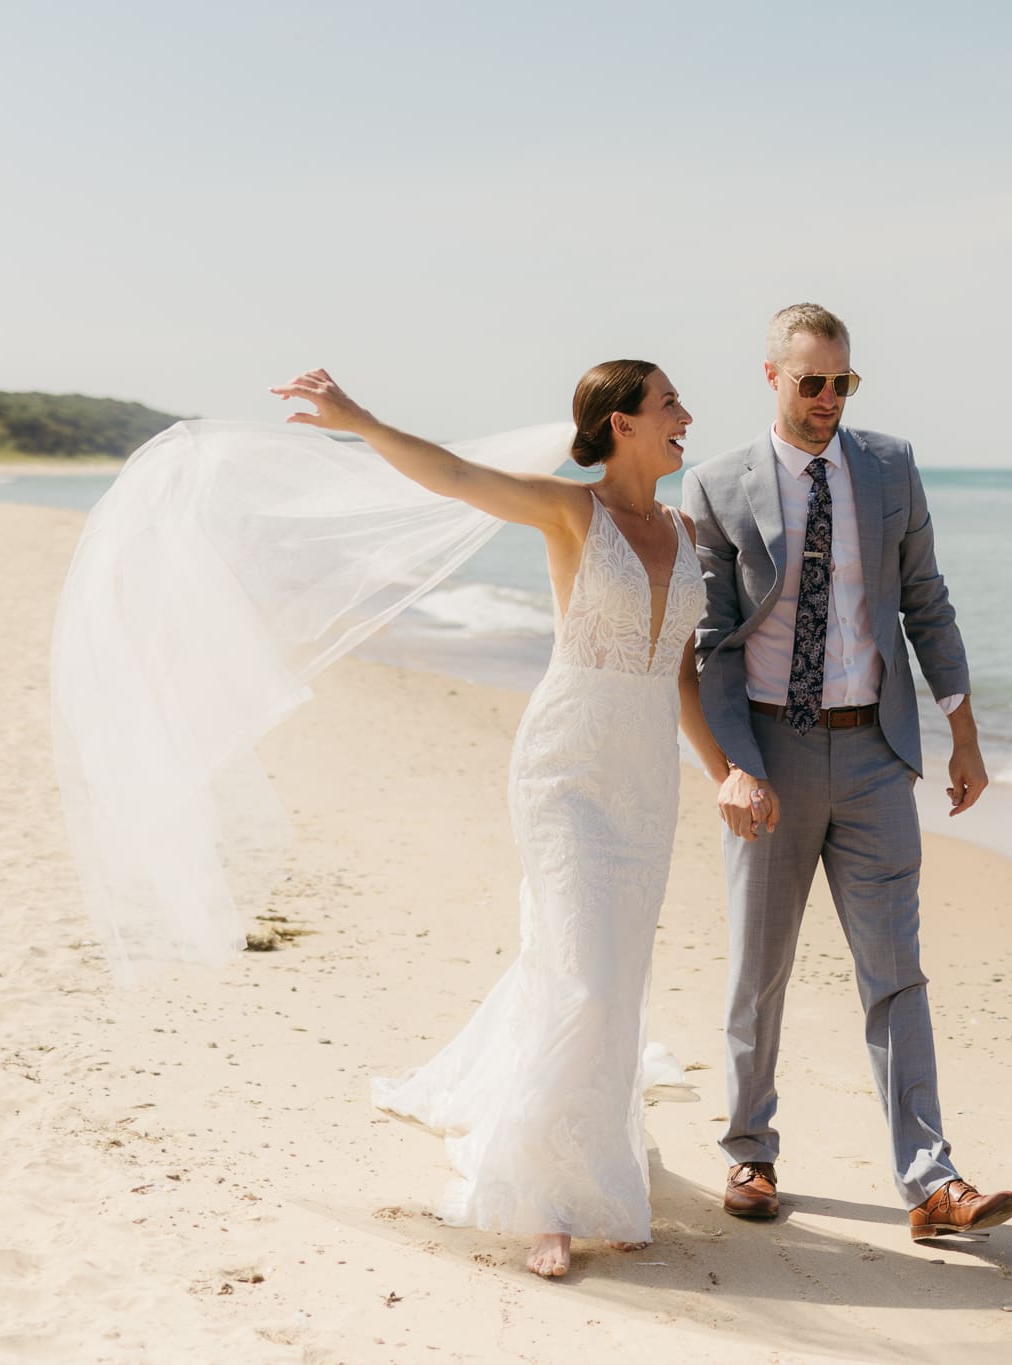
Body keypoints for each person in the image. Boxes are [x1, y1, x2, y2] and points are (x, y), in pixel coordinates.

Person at [268, 362, 727, 1279]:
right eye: (669, 402)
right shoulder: (570, 512)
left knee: (604, 976)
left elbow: (681, 672)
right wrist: (358, 417)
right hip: (565, 768)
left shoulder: (684, 533)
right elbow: (451, 474)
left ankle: (594, 1166)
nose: (686, 415)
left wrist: (727, 771)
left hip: (645, 780)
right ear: (622, 423)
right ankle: (541, 1196)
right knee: (587, 979)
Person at [681, 304, 1012, 1240]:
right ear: (771, 377)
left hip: (877, 750)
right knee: (760, 966)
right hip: (769, 751)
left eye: (844, 382)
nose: (829, 399)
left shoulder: (889, 466)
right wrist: (730, 768)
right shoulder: (714, 487)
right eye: (811, 382)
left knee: (896, 972)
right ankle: (750, 1149)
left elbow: (925, 600)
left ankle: (932, 1183)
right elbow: (709, 648)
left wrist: (962, 726)